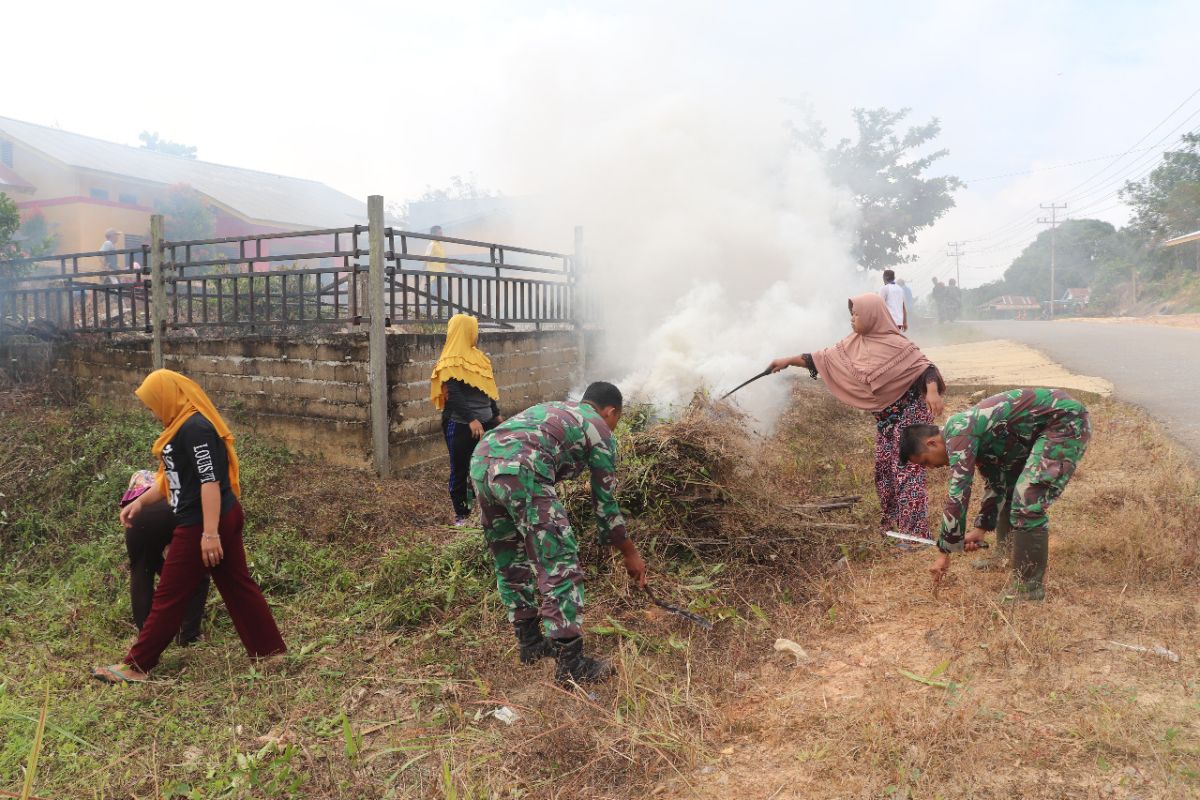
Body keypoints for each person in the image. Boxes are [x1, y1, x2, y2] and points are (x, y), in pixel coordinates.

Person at [91, 370, 286, 683]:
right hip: (214, 517)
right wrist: (140, 502)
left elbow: (210, 481)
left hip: (204, 522)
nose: (153, 413)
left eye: (152, 405)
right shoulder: (179, 426)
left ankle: (136, 666)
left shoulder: (195, 428)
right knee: (238, 585)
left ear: (167, 397)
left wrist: (209, 534)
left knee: (169, 595)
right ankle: (270, 652)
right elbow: (173, 479)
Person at [470, 381, 647, 684]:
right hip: (522, 469)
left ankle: (530, 643)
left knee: (509, 557)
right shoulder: (598, 428)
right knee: (558, 562)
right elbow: (605, 503)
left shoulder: (555, 409)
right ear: (611, 411)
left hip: (481, 461)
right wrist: (630, 552)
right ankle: (571, 665)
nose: (614, 427)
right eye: (617, 420)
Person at [767, 293, 945, 544]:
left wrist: (932, 391)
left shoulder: (898, 345)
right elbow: (820, 359)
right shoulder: (851, 345)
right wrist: (786, 361)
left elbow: (926, 368)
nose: (852, 319)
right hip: (886, 422)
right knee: (884, 473)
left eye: (857, 314)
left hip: (910, 416)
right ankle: (892, 527)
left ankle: (913, 536)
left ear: (872, 315)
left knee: (907, 471)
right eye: (851, 314)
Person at [900, 388, 1091, 602]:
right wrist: (980, 530)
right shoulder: (968, 436)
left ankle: (1029, 588)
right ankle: (1005, 554)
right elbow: (996, 483)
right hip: (1043, 427)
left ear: (932, 443)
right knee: (1009, 488)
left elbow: (958, 493)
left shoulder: (959, 432)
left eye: (926, 461)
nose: (931, 467)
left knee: (1027, 500)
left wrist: (944, 553)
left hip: (1064, 422)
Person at [121, 470, 210, 645]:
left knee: (141, 572)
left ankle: (147, 639)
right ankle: (188, 635)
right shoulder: (178, 477)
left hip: (137, 516)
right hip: (174, 511)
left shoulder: (139, 479)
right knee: (196, 572)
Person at [431, 313, 503, 526]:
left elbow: (488, 389)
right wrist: (472, 419)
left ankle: (483, 508)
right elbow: (453, 394)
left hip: (487, 421)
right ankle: (461, 514)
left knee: (485, 466)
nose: (476, 334)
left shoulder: (480, 358)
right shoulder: (449, 360)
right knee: (460, 468)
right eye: (473, 329)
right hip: (462, 425)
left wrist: (496, 414)